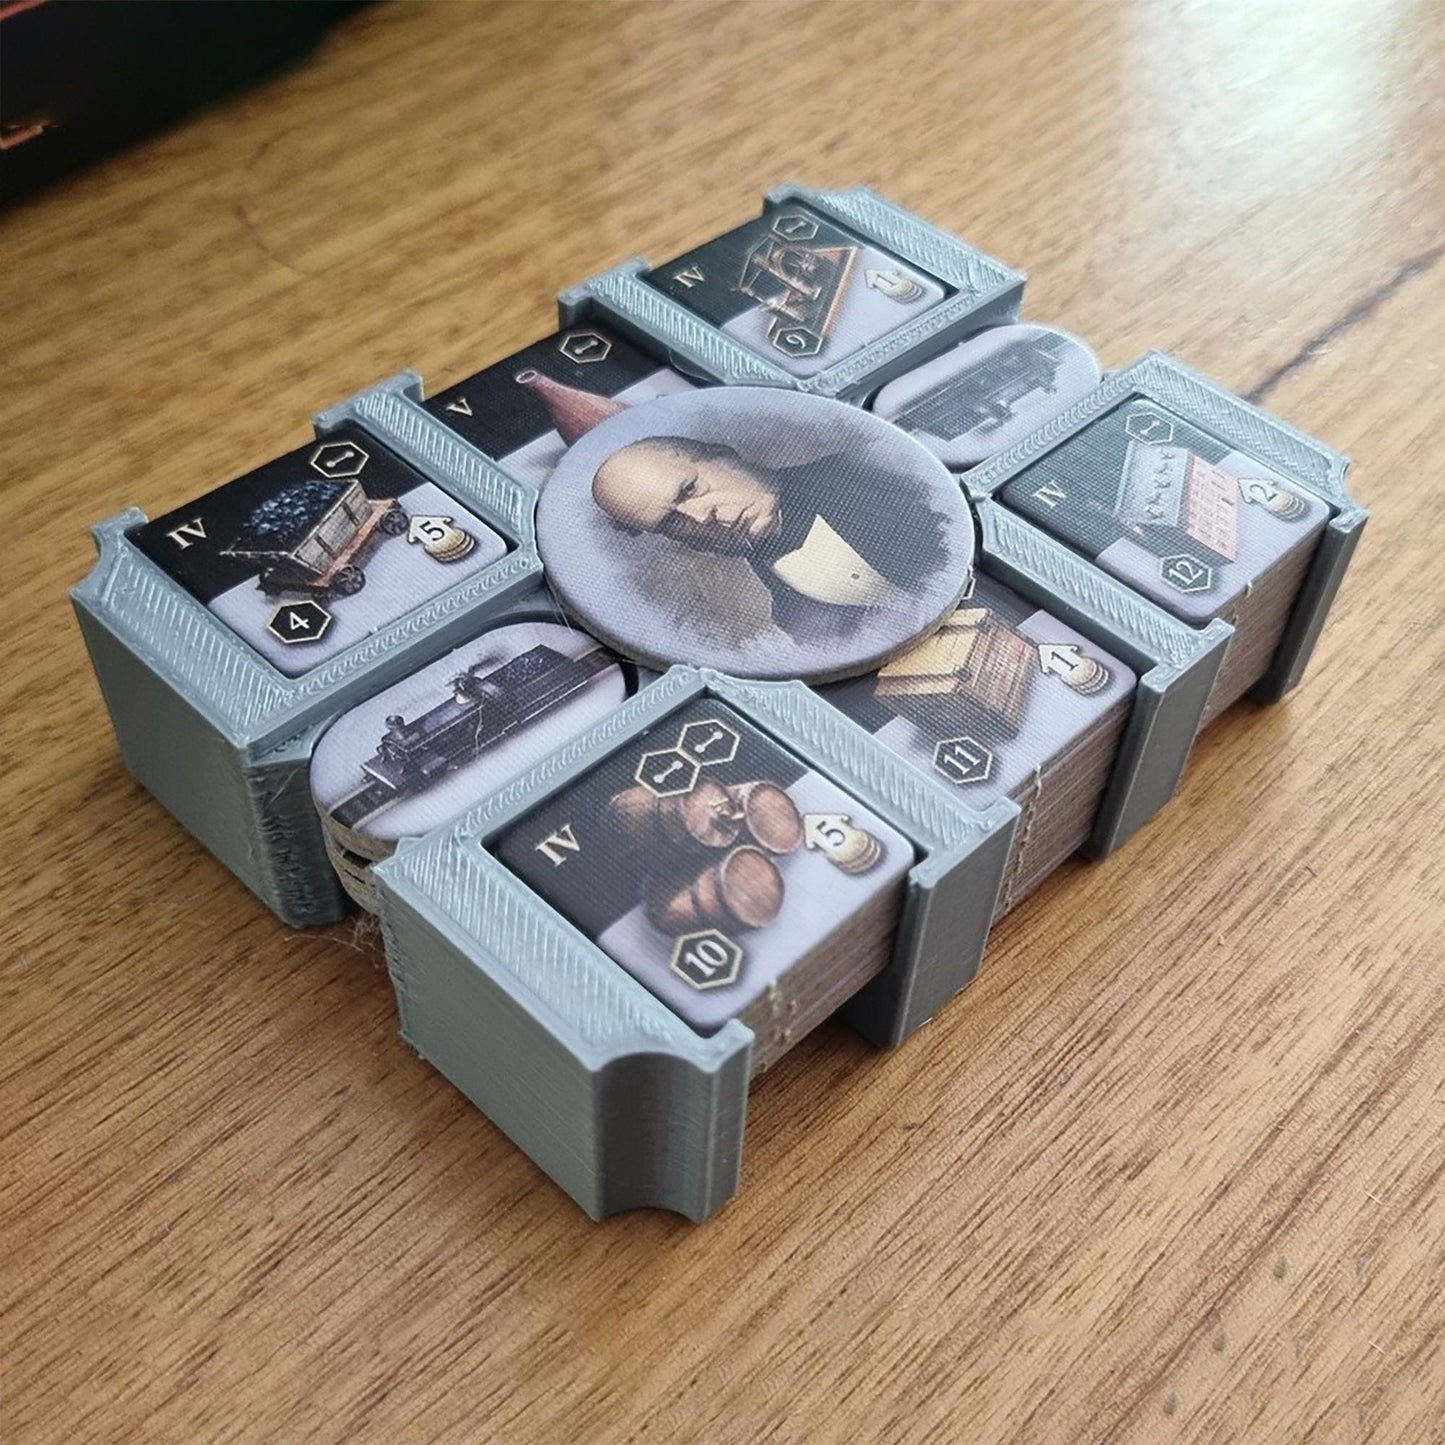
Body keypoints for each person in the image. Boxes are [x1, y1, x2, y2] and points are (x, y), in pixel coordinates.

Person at [591, 435, 957, 645]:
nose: (700, 517)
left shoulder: (882, 468)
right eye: (670, 522)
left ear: (721, 454)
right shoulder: (792, 620)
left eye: (689, 489)